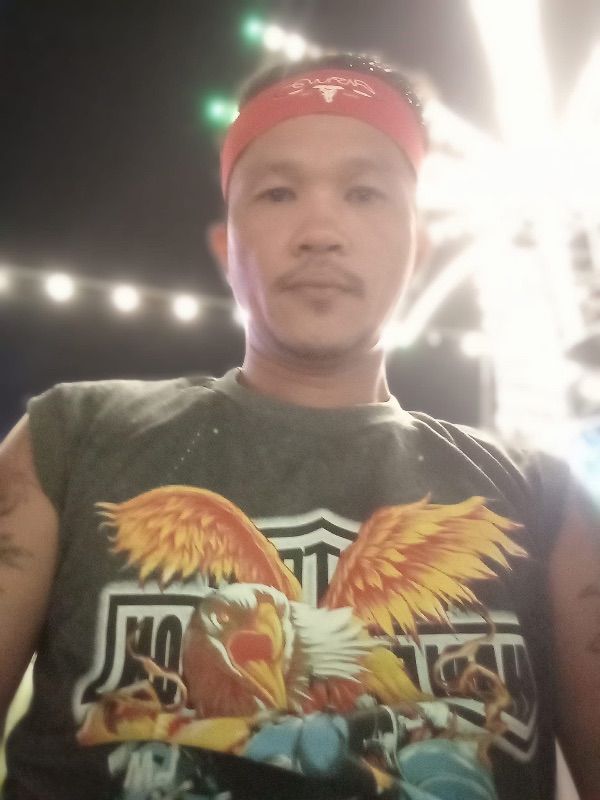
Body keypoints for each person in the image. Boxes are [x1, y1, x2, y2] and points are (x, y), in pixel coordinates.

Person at [0, 52, 598, 800]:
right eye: (278, 193)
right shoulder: (68, 440)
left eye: (364, 193)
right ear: (228, 249)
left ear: (418, 248)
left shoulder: (541, 498)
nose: (320, 230)